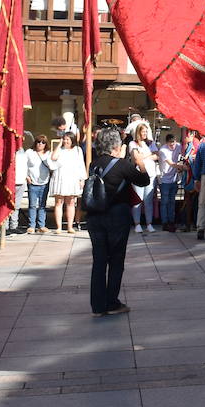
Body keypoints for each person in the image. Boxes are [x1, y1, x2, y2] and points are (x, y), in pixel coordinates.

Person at [86, 128, 152, 317]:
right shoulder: (121, 165)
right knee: (116, 260)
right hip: (116, 217)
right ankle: (112, 302)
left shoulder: (94, 164)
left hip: (95, 216)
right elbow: (143, 181)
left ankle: (98, 306)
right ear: (116, 146)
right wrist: (140, 164)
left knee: (99, 261)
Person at [49, 132, 86, 234]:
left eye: (67, 139)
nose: (66, 141)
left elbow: (81, 165)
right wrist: (60, 144)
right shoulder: (60, 150)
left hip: (72, 178)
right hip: (60, 177)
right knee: (59, 202)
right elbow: (53, 157)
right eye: (64, 139)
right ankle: (59, 227)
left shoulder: (77, 150)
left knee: (71, 203)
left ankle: (70, 226)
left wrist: (82, 179)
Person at [128, 122, 159, 233]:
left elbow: (157, 155)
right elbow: (136, 158)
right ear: (138, 132)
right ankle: (137, 224)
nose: (145, 133)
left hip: (151, 175)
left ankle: (149, 224)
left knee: (148, 200)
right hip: (138, 175)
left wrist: (145, 155)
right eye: (143, 131)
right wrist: (150, 155)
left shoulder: (151, 143)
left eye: (146, 131)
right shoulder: (133, 143)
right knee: (138, 200)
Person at [22, 137, 52, 234]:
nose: (40, 144)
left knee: (42, 205)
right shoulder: (29, 152)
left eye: (43, 142)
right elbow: (24, 165)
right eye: (38, 142)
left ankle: (41, 225)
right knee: (32, 205)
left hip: (44, 182)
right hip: (32, 182)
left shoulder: (48, 153)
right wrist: (26, 176)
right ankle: (31, 226)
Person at [158, 133, 184, 232]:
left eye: (173, 143)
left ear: (176, 141)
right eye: (170, 144)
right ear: (166, 143)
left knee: (172, 202)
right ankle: (165, 223)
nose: (172, 146)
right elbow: (171, 163)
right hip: (164, 179)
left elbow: (184, 151)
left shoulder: (178, 146)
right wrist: (182, 167)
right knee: (164, 202)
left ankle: (171, 221)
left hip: (174, 179)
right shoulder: (163, 150)